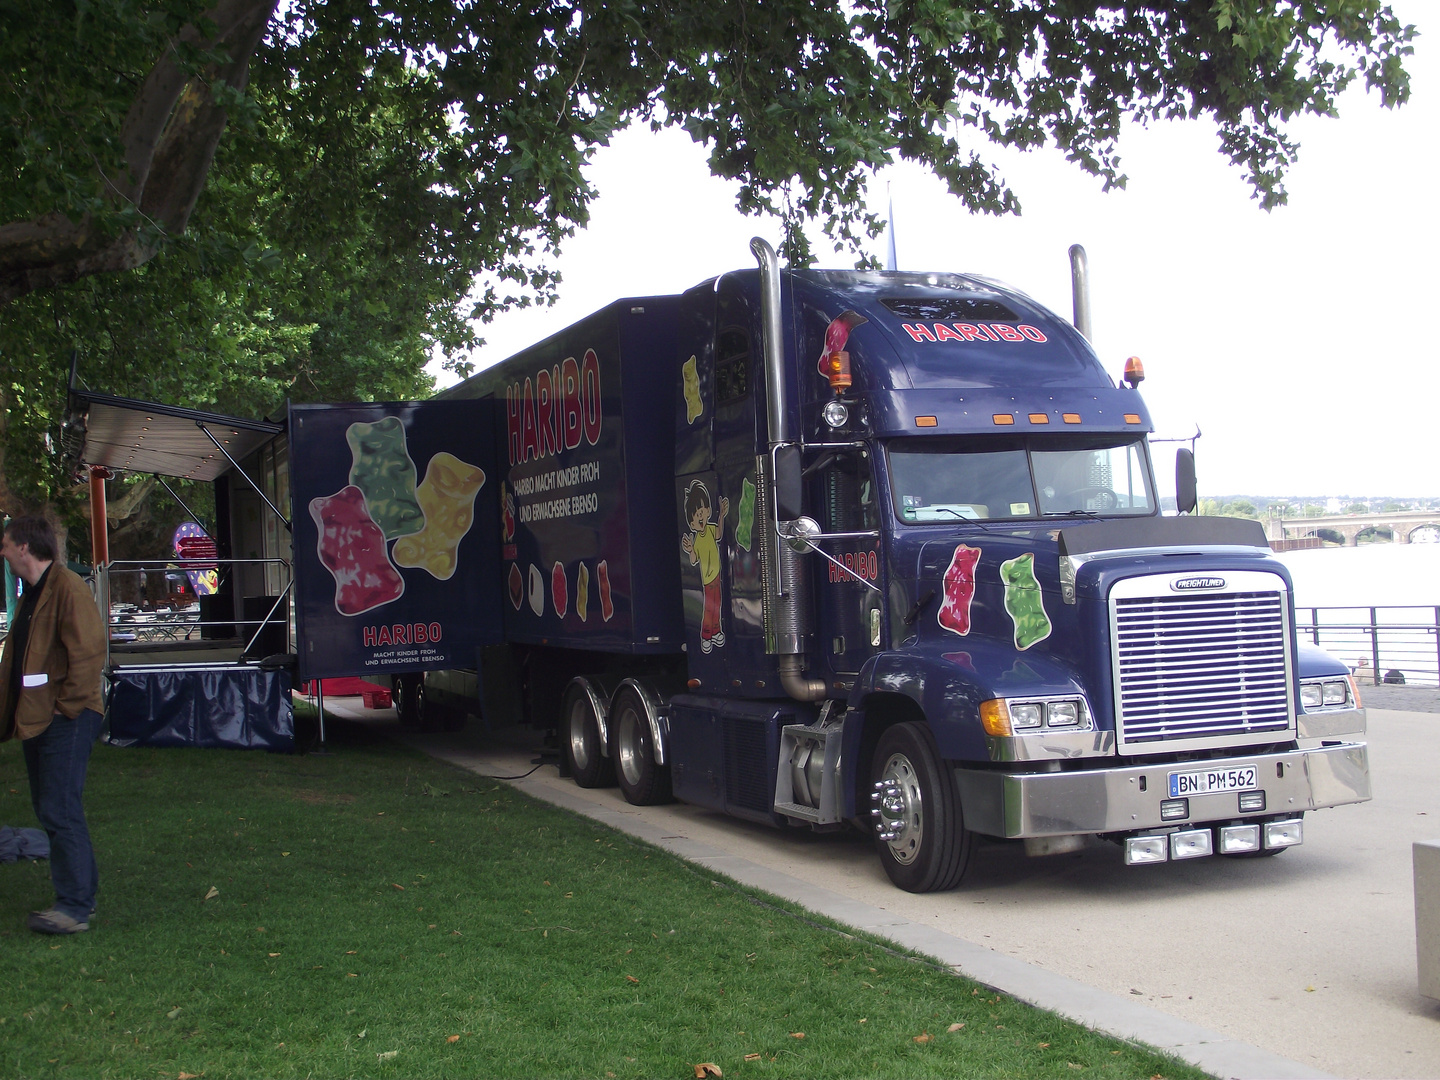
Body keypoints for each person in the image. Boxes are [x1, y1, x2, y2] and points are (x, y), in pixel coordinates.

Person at [0, 516, 106, 934]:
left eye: (6, 544)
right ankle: (80, 897)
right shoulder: (34, 592)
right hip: (41, 717)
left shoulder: (67, 589)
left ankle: (75, 906)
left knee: (60, 809)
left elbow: (88, 652)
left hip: (68, 717)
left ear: (25, 547)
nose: (3, 551)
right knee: (52, 807)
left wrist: (67, 707)